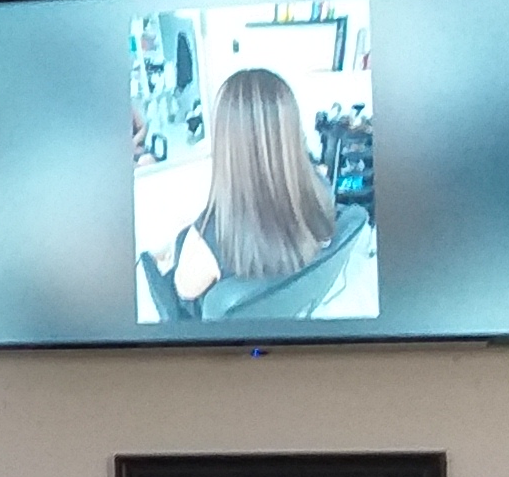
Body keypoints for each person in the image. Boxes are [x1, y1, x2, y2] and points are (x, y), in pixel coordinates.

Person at [150, 66, 373, 324]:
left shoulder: (208, 240)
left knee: (176, 243)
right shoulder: (321, 189)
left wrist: (186, 241)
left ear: (227, 143)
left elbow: (183, 290)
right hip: (287, 305)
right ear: (290, 132)